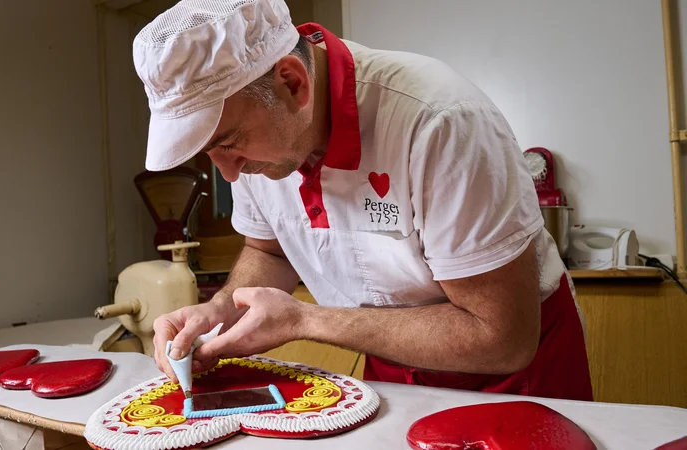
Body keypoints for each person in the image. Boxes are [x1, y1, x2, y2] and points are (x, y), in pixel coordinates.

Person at [131, 0, 593, 401]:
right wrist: (221, 308)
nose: (228, 173)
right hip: (391, 367)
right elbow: (267, 249)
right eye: (211, 154)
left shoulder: (439, 123)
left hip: (513, 379)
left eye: (230, 143)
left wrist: (304, 321)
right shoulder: (260, 141)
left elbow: (502, 338)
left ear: (292, 83)